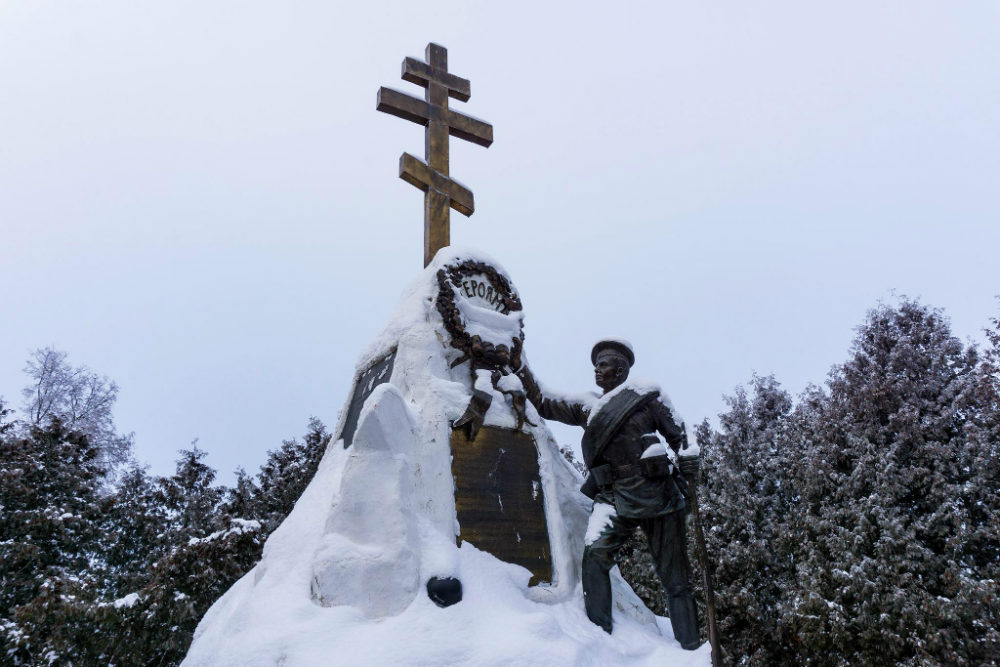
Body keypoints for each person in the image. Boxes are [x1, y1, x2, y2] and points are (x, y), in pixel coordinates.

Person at [517, 339, 700, 649]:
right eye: (596, 365)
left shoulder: (646, 396)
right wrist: (517, 359)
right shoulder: (589, 406)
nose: (596, 370)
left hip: (659, 495)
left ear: (621, 369)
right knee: (595, 556)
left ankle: (690, 648)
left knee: (676, 581)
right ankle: (600, 636)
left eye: (602, 365)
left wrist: (685, 481)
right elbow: (542, 402)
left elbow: (682, 440)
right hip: (614, 496)